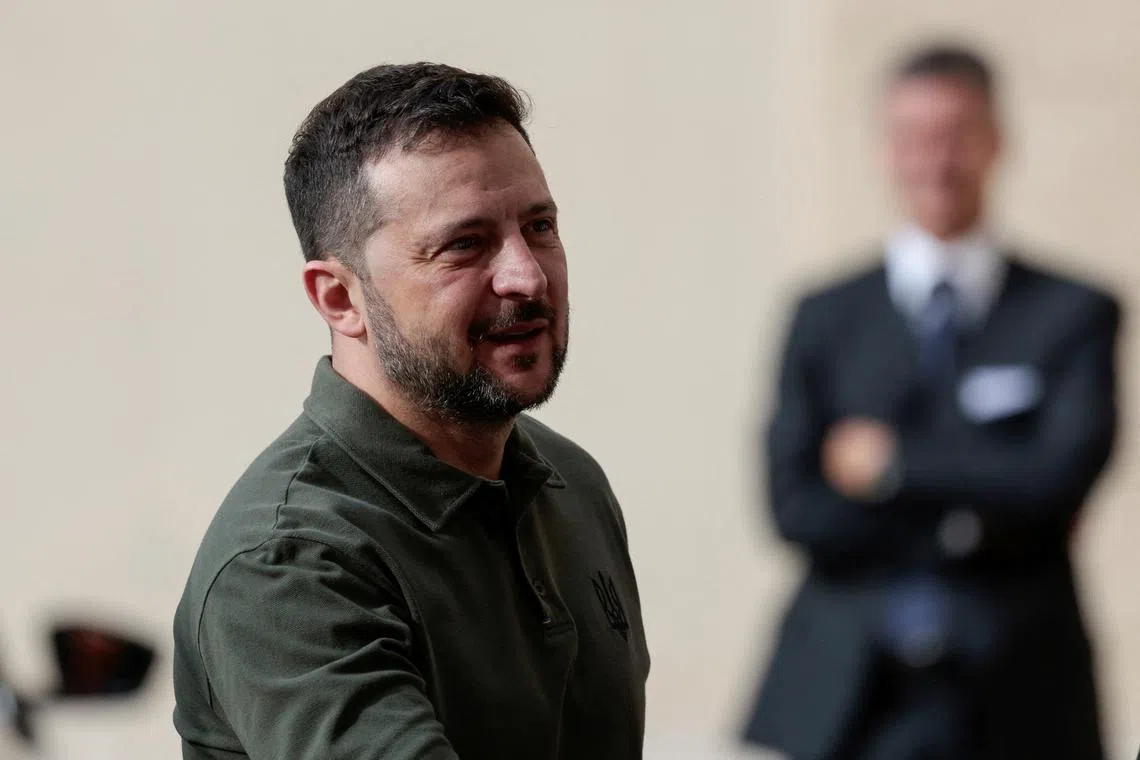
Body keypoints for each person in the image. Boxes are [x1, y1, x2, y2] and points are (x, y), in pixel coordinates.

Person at [172, 63, 650, 760]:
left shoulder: (570, 483)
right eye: (465, 244)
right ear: (339, 299)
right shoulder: (287, 565)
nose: (528, 274)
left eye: (539, 226)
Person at [742, 43, 1119, 760]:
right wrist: (982, 511)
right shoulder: (824, 316)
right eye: (914, 138)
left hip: (1020, 690)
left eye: (956, 135)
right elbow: (794, 504)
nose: (936, 160)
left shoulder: (1073, 313)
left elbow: (1060, 476)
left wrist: (891, 468)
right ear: (886, 149)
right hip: (852, 694)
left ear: (995, 142)